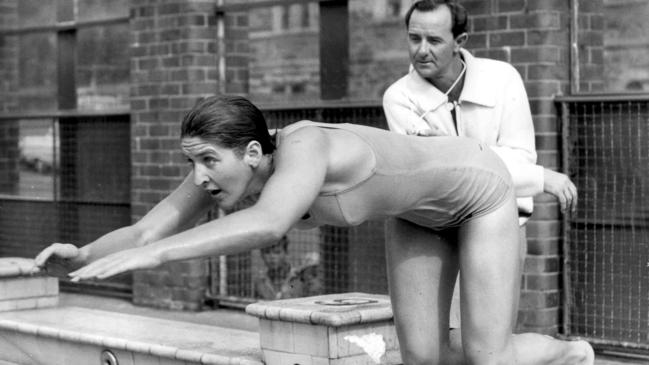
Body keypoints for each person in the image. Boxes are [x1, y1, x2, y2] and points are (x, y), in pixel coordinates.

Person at [34, 95, 592, 365]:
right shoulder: (221, 173)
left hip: (481, 194)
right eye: (192, 163)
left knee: (485, 358)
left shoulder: (306, 147)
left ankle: (572, 356)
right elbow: (148, 230)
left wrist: (157, 261)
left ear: (253, 152)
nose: (199, 177)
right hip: (419, 218)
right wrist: (82, 255)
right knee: (422, 359)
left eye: (207, 161)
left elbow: (269, 224)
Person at [382, 0, 578, 346]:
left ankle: (572, 354)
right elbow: (432, 175)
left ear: (461, 40)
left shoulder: (502, 79)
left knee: (487, 347)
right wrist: (539, 178)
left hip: (499, 225)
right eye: (414, 39)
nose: (422, 51)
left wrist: (448, 152)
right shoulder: (398, 97)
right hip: (434, 227)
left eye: (435, 40)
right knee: (430, 349)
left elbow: (519, 156)